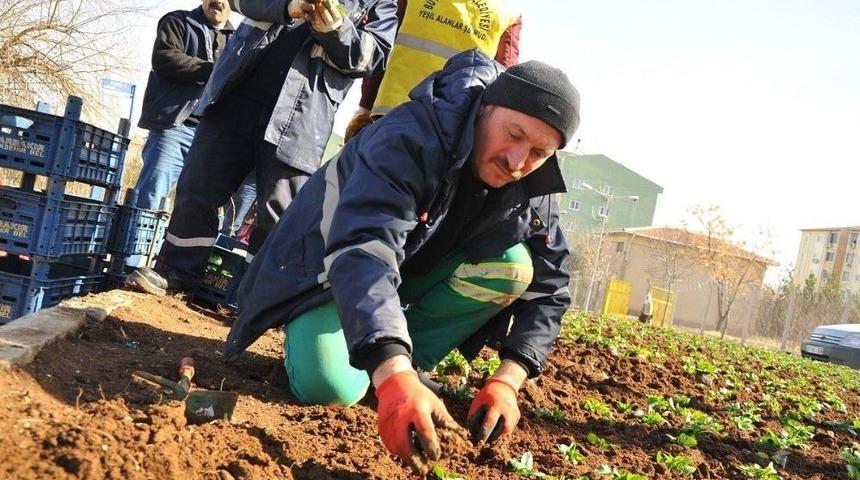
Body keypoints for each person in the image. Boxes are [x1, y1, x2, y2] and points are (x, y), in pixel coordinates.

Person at [225, 50, 580, 473]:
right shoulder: (411, 137)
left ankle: (402, 365)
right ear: (485, 109)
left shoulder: (534, 185)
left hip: (404, 272)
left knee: (515, 266)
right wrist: (391, 375)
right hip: (328, 269)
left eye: (539, 152)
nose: (518, 161)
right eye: (514, 134)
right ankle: (385, 369)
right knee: (329, 385)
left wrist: (509, 378)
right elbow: (365, 247)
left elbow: (551, 287)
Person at [128, 0, 398, 295]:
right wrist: (287, 6)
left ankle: (255, 299)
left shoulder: (380, 3)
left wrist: (336, 31)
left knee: (277, 217)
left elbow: (373, 58)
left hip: (302, 118)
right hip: (236, 96)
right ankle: (177, 273)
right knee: (197, 189)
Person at [344, 0, 522, 140]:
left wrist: (365, 106)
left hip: (391, 112)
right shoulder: (508, 11)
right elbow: (504, 81)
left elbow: (383, 46)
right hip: (451, 127)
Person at [134, 0, 235, 211]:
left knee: (193, 208)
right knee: (151, 197)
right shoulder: (178, 21)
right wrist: (216, 70)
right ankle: (134, 243)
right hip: (174, 128)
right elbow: (165, 58)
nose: (218, 1)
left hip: (210, 137)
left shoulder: (239, 41)